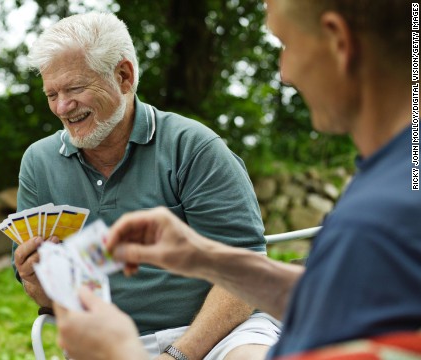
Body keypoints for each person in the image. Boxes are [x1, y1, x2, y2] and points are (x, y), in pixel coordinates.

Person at [53, 0, 419, 359]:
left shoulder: (383, 222)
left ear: (339, 41)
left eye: (286, 44)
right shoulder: (396, 178)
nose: (284, 73)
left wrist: (122, 352)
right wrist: (206, 258)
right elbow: (347, 299)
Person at [13, 11, 280, 360]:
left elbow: (245, 270)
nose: (62, 107)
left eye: (75, 88)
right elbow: (54, 297)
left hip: (221, 334)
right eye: (52, 94)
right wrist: (35, 280)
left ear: (124, 76)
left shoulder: (193, 146)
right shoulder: (39, 163)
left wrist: (177, 355)